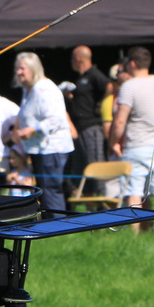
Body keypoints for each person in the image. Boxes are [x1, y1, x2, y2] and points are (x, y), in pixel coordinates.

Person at [107, 46, 154, 233]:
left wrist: (114, 142)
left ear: (131, 64)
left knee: (134, 194)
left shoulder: (128, 86)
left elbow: (120, 120)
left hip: (135, 147)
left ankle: (134, 237)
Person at [8, 53, 73, 213]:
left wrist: (33, 129)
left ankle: (57, 228)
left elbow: (57, 118)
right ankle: (50, 226)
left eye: (22, 68)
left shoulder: (44, 88)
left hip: (51, 149)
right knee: (45, 189)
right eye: (17, 68)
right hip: (39, 148)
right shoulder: (28, 89)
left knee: (51, 189)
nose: (18, 72)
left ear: (33, 68)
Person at [63, 45, 111, 198]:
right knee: (82, 166)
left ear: (78, 59)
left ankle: (103, 201)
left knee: (95, 163)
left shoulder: (94, 74)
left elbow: (109, 86)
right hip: (80, 128)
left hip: (92, 127)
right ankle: (90, 203)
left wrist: (99, 105)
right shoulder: (81, 78)